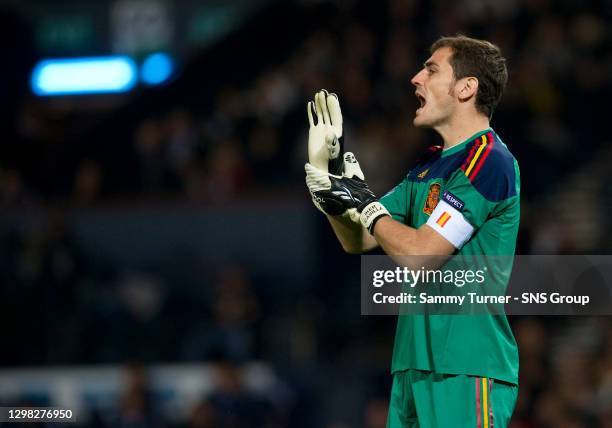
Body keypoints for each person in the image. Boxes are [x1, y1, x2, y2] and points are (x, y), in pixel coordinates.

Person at [305, 35, 520, 427]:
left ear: (466, 87)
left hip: (465, 366)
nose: (415, 78)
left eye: (431, 69)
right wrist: (330, 183)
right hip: (412, 366)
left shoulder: (488, 160)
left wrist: (365, 204)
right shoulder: (427, 167)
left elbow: (420, 255)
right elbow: (358, 238)